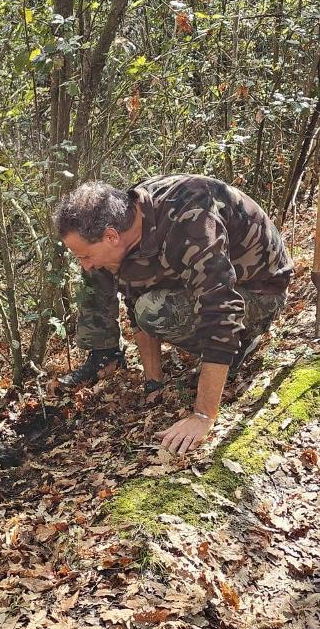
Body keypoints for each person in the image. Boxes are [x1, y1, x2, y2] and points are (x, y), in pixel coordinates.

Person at [54, 174, 292, 455]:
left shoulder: (190, 218)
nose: (85, 266)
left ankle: (244, 338)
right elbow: (135, 297)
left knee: (156, 310)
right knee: (145, 306)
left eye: (84, 255)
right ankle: (226, 350)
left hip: (261, 290)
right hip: (219, 285)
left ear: (111, 236)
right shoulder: (130, 227)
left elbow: (221, 307)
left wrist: (203, 416)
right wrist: (153, 383)